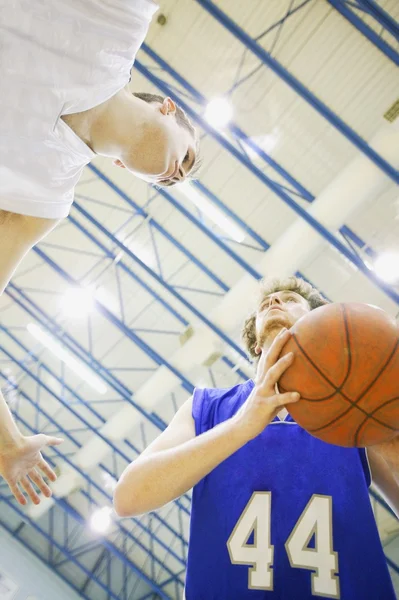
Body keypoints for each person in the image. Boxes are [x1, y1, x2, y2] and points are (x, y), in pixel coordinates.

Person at [0, 0, 199, 504]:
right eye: (188, 156)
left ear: (123, 171)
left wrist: (7, 443)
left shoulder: (45, 198)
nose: (180, 175)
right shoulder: (119, 26)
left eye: (176, 181)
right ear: (167, 108)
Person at [114, 276, 398, 599]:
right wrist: (242, 426)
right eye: (266, 304)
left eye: (290, 299)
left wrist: (390, 437)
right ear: (257, 344)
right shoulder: (206, 407)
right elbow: (127, 497)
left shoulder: (352, 410)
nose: (275, 302)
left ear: (320, 323)